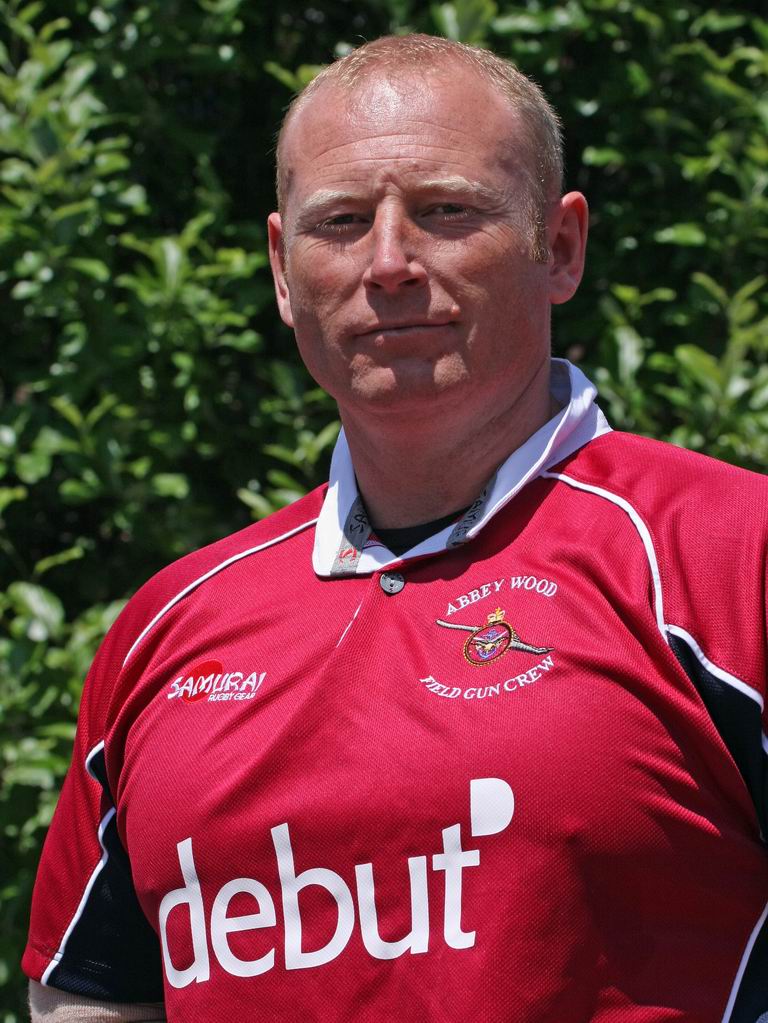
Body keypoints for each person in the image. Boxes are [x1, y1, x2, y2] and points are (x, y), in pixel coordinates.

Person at [24, 33, 768, 1023]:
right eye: (340, 223)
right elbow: (89, 1000)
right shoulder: (166, 630)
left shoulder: (731, 558)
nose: (388, 263)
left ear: (560, 247)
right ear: (282, 270)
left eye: (446, 211)